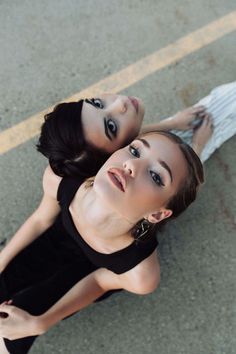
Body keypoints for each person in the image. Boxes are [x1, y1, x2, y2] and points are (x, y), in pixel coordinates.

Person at [0, 130, 204, 353]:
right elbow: (40, 220)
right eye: (134, 150)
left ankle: (200, 145)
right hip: (47, 246)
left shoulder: (140, 273)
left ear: (156, 214)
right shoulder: (62, 177)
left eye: (156, 176)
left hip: (81, 274)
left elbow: (99, 282)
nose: (131, 165)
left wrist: (41, 323)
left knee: (16, 325)